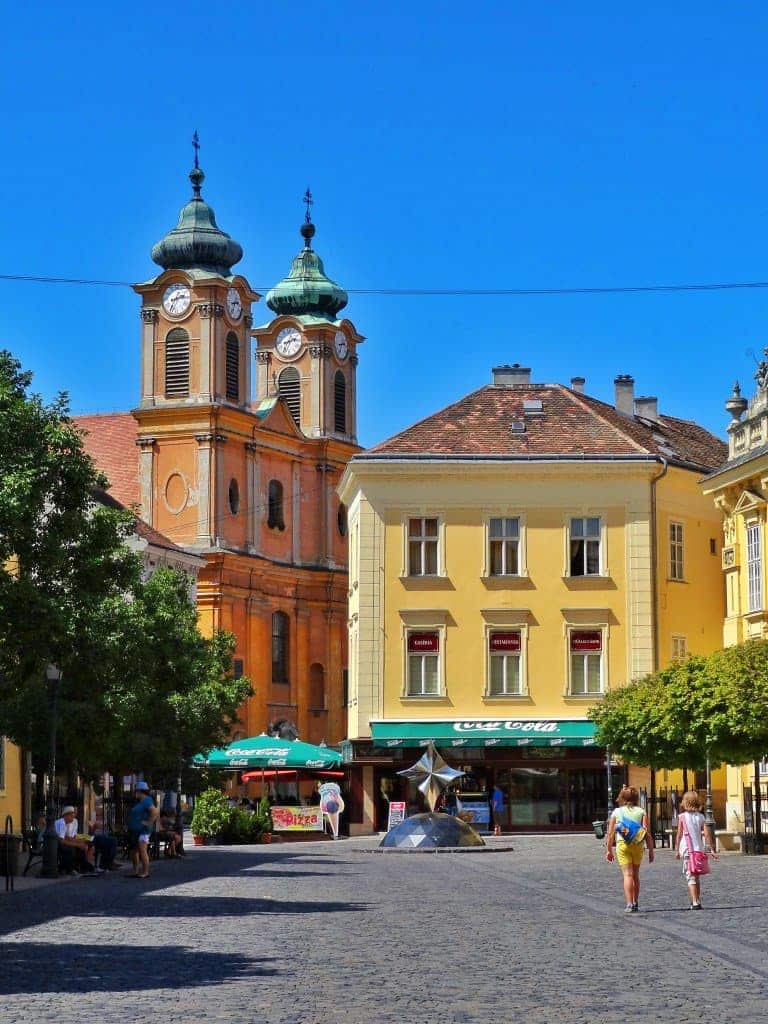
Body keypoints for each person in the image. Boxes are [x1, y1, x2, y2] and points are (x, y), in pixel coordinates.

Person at [605, 785, 654, 912]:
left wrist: (609, 850)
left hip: (623, 845)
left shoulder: (617, 812)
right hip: (637, 845)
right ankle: (636, 902)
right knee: (636, 875)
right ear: (636, 798)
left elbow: (610, 834)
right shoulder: (642, 812)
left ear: (622, 797)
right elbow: (646, 832)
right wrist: (651, 850)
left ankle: (629, 903)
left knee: (627, 875)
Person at [674, 790, 717, 909]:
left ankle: (695, 902)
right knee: (696, 877)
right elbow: (707, 834)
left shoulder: (682, 817)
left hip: (688, 850)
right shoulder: (701, 817)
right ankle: (697, 899)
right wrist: (712, 849)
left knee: (690, 877)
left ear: (685, 803)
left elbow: (679, 834)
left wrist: (677, 850)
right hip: (699, 850)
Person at [126, 781, 158, 879]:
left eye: (136, 791)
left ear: (140, 791)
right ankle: (136, 871)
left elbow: (154, 811)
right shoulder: (140, 801)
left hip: (142, 831)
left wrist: (149, 823)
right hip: (135, 830)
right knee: (134, 851)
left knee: (142, 850)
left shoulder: (147, 800)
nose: (135, 793)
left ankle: (145, 872)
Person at [54, 805, 97, 874]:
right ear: (66, 815)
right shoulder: (62, 823)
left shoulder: (73, 821)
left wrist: (81, 841)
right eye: (72, 816)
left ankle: (83, 865)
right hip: (57, 844)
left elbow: (72, 836)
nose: (73, 818)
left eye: (74, 814)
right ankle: (73, 868)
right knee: (75, 848)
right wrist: (78, 844)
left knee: (91, 839)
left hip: (75, 836)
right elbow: (63, 840)